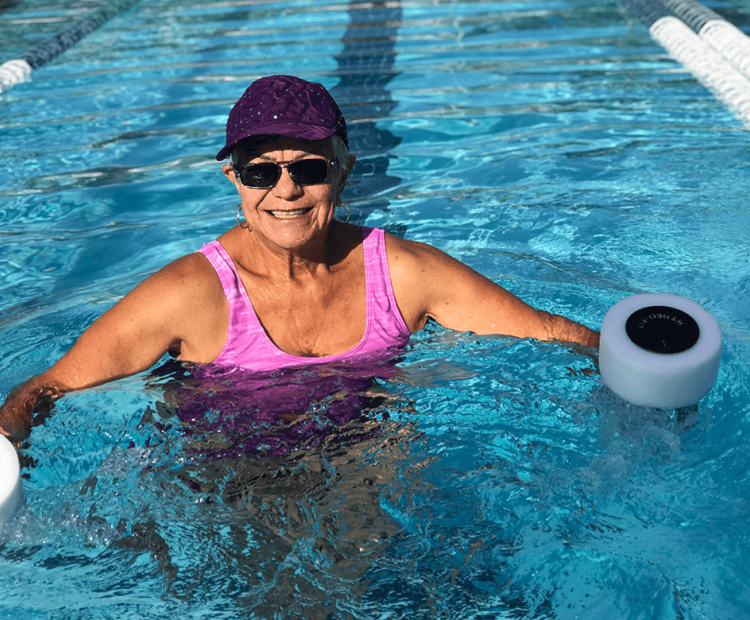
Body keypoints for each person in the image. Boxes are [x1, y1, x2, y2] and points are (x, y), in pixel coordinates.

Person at [0, 75, 599, 442]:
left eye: (309, 169)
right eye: (261, 172)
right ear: (234, 179)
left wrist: (644, 367)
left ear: (344, 171)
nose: (285, 192)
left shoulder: (403, 272)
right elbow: (44, 390)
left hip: (370, 459)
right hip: (231, 478)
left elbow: (549, 332)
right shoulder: (189, 294)